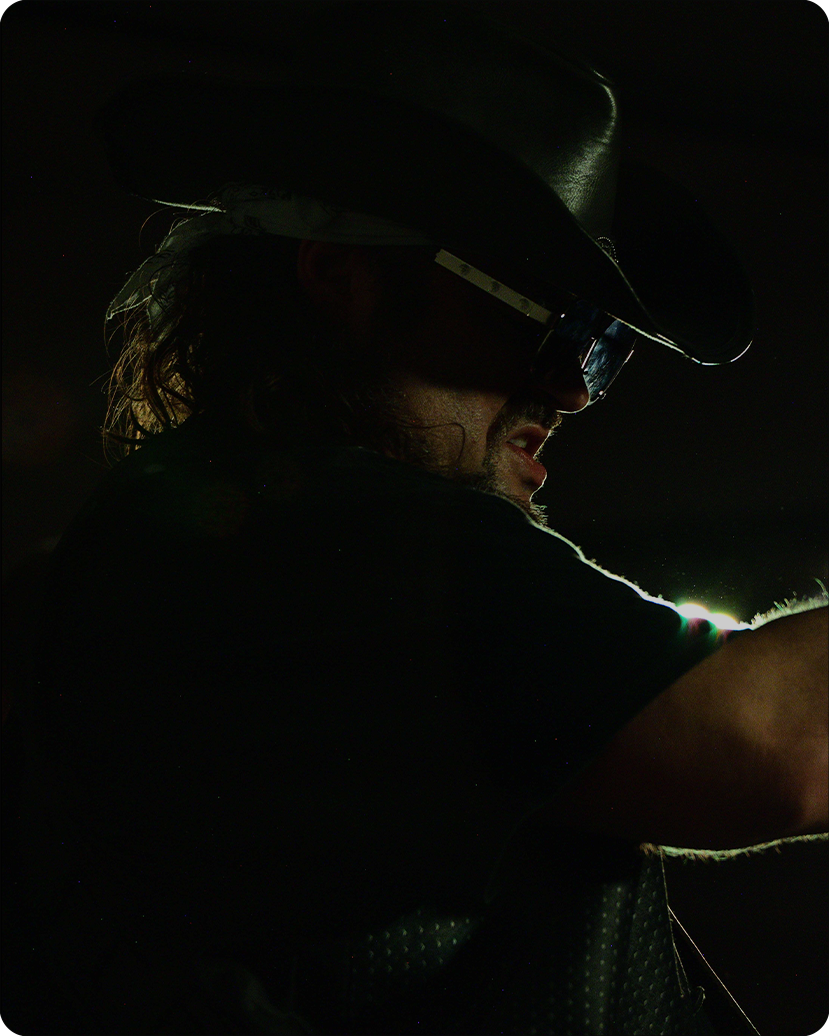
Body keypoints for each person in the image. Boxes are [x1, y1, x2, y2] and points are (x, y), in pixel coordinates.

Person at [2, 4, 826, 1034]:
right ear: (343, 278)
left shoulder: (209, 549)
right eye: (543, 326)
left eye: (597, 346)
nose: (571, 389)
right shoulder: (314, 540)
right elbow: (780, 744)